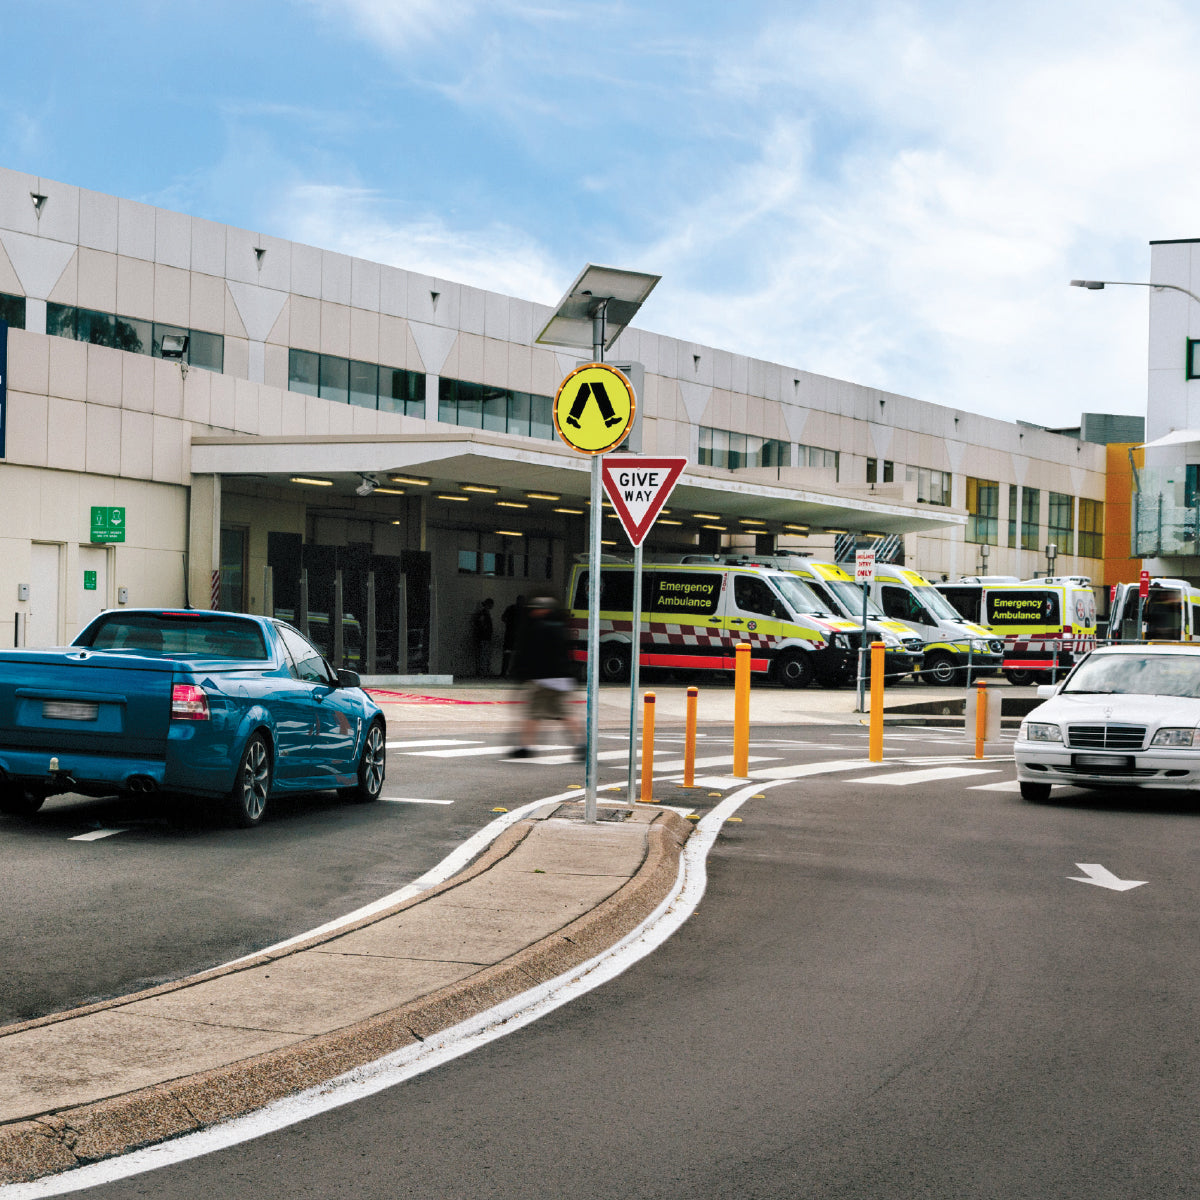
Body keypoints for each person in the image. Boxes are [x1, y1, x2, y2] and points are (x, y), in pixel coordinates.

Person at [507, 596, 584, 761]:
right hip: (561, 679)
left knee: (533, 714)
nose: (533, 611)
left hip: (546, 679)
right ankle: (580, 745)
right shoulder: (560, 628)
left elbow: (533, 655)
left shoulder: (539, 628)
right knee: (561, 713)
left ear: (544, 611)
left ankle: (525, 747)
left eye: (536, 608)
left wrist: (523, 675)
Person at [500, 595, 525, 676]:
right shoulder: (524, 610)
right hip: (519, 636)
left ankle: (504, 671)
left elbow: (503, 618)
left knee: (507, 654)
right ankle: (515, 672)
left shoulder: (510, 608)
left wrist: (509, 624)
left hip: (510, 635)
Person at [471, 598, 494, 677]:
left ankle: (483, 670)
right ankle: (483, 671)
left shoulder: (484, 614)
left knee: (484, 654)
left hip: (484, 636)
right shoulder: (484, 614)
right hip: (484, 637)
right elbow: (481, 624)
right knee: (484, 654)